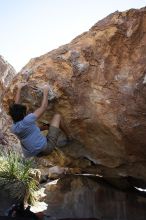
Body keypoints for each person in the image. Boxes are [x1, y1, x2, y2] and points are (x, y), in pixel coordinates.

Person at [9, 82, 71, 158]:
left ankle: (48, 129)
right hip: (47, 148)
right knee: (57, 116)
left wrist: (19, 88)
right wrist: (45, 91)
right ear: (23, 114)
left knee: (43, 127)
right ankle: (69, 136)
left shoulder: (13, 128)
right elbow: (44, 107)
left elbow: (15, 108)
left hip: (36, 153)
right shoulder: (28, 120)